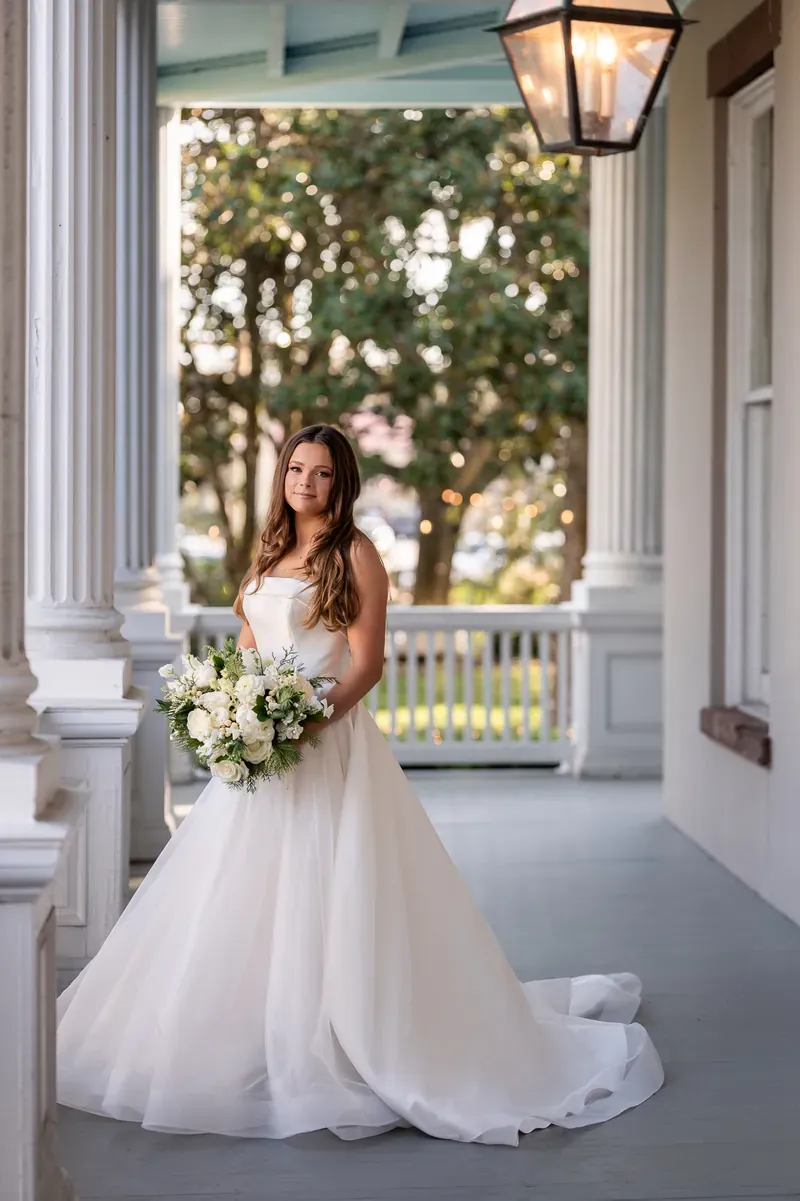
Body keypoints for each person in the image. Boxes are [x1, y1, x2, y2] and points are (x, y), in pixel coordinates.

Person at [57, 423, 663, 1145]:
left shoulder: (355, 553)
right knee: (241, 893)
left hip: (326, 742)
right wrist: (232, 714)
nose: (305, 484)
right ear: (282, 476)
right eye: (295, 470)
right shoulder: (269, 551)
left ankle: (346, 1036)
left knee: (332, 890)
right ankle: (257, 1033)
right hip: (258, 750)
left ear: (341, 483)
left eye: (320, 474)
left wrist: (304, 725)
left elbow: (366, 665)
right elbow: (249, 644)